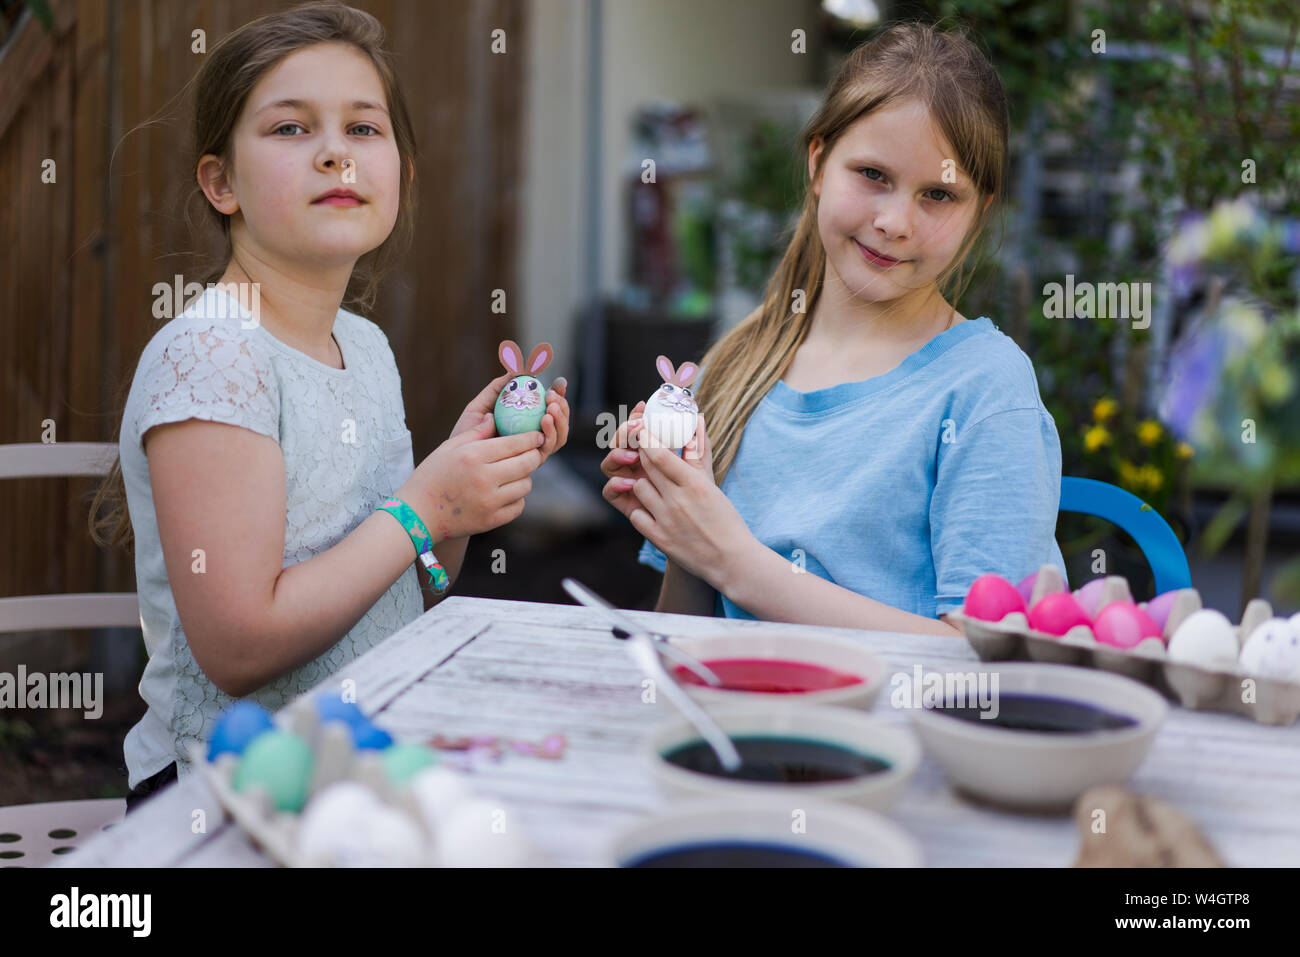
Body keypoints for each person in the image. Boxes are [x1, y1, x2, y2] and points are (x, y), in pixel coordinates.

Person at [87, 2, 570, 809]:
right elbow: (238, 646)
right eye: (290, 129)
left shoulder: (365, 346)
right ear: (221, 182)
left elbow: (411, 587)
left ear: (403, 173)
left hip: (355, 765)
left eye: (363, 129)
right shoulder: (214, 353)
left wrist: (456, 506)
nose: (336, 156)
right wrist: (421, 505)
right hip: (224, 795)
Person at [601, 21, 1066, 636]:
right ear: (819, 164)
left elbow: (987, 656)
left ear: (978, 213)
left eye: (938, 195)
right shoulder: (738, 364)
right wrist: (685, 531)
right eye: (873, 175)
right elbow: (684, 635)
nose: (895, 221)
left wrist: (736, 561)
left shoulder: (985, 390)